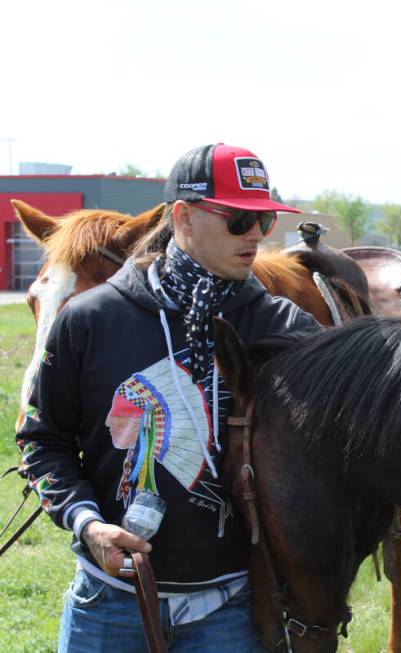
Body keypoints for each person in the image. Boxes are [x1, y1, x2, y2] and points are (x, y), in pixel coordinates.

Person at [16, 143, 322, 651]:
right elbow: (41, 439)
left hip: (231, 610)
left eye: (264, 220)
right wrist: (88, 525)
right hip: (108, 605)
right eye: (237, 220)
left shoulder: (284, 328)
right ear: (183, 218)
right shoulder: (89, 320)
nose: (255, 236)